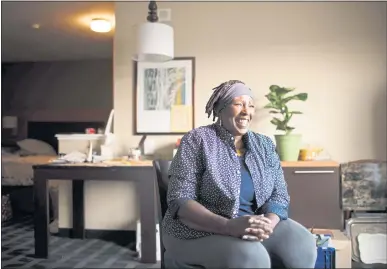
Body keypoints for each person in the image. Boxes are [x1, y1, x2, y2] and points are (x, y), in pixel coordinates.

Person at [161, 80, 317, 268]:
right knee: (251, 256)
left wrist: (266, 224)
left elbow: (279, 195)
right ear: (220, 109)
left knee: (301, 243)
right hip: (197, 230)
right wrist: (228, 226)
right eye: (238, 104)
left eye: (250, 105)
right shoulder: (197, 140)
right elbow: (180, 199)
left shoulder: (264, 145)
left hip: (252, 221)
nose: (246, 111)